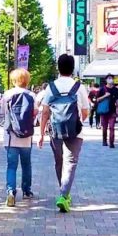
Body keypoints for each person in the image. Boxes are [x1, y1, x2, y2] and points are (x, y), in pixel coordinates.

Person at [39, 54, 91, 212]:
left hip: (55, 130)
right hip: (76, 131)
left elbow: (45, 112)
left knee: (59, 162)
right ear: (73, 68)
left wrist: (41, 133)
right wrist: (77, 120)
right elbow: (85, 111)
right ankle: (64, 194)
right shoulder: (79, 87)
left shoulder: (51, 87)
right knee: (71, 163)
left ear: (58, 67)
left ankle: (63, 191)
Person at [3, 68, 35, 207]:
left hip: (10, 136)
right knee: (26, 164)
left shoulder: (7, 95)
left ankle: (11, 192)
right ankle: (26, 190)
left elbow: (3, 113)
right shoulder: (31, 95)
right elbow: (34, 114)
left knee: (11, 166)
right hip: (26, 137)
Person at [94, 75, 118, 147]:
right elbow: (97, 100)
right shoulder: (102, 89)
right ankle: (104, 141)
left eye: (111, 78)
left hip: (112, 111)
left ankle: (111, 143)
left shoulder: (116, 90)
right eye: (109, 78)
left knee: (112, 127)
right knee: (104, 127)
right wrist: (105, 96)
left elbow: (117, 100)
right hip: (104, 111)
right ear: (106, 80)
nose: (110, 79)